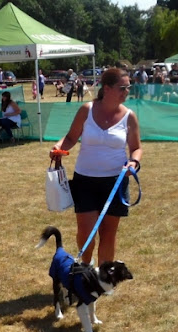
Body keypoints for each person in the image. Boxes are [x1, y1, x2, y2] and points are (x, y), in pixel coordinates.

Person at [50, 68, 142, 266]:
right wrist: (59, 147)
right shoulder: (87, 110)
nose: (127, 91)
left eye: (128, 87)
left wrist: (133, 162)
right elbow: (71, 137)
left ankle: (104, 277)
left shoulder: (129, 116)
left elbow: (136, 148)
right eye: (123, 87)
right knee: (85, 232)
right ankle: (86, 265)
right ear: (107, 88)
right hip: (85, 180)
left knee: (108, 234)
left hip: (115, 182)